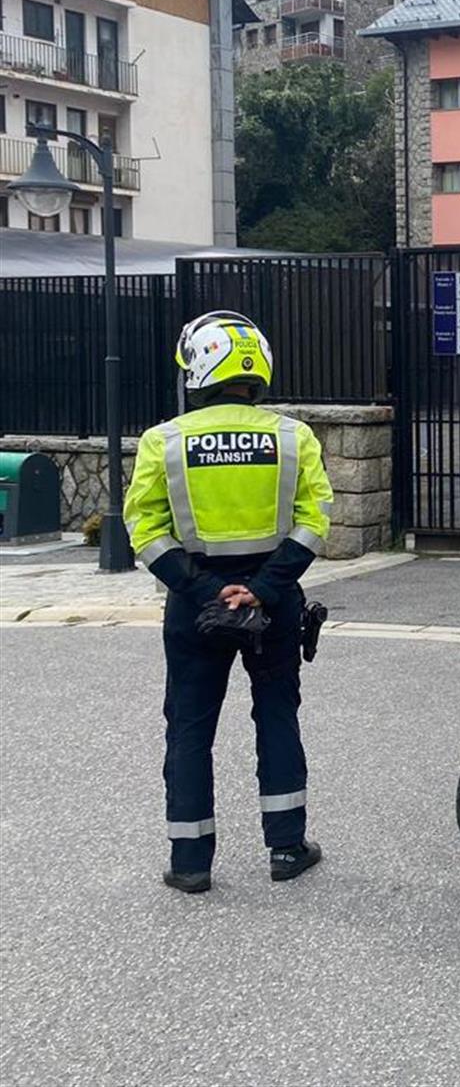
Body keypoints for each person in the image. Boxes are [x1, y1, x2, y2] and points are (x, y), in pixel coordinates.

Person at [124, 311, 333, 894]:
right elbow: (315, 522)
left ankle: (191, 862)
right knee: (276, 715)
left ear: (198, 366)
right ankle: (288, 849)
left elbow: (145, 529)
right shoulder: (294, 437)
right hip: (274, 598)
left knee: (189, 727)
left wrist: (203, 591)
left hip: (195, 601)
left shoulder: (163, 442)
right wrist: (261, 590)